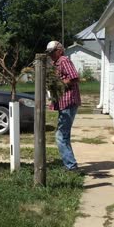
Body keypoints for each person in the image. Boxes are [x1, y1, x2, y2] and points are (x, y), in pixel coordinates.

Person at [45, 41, 81, 172]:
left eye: (52, 52)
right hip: (63, 102)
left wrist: (59, 84)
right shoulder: (56, 62)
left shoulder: (64, 60)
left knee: (60, 136)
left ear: (59, 50)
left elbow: (75, 78)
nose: (51, 55)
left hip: (69, 101)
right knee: (64, 136)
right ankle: (70, 164)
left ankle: (71, 166)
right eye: (49, 53)